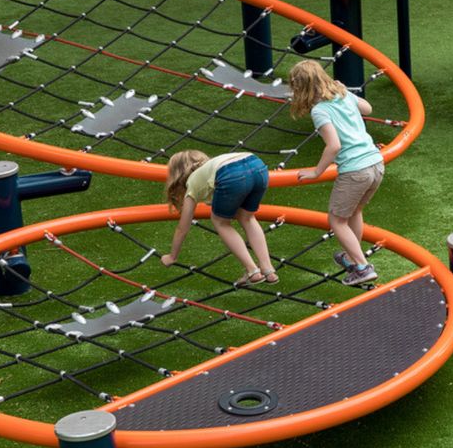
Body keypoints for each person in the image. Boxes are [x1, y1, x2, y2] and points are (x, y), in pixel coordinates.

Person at [288, 60, 384, 286]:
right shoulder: (343, 95)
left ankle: (362, 267)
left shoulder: (320, 111)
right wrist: (346, 91)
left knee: (337, 220)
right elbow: (367, 109)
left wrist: (316, 172)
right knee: (354, 211)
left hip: (355, 169)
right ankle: (351, 257)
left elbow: (334, 145)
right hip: (376, 164)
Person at [161, 149, 277, 287]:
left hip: (231, 173)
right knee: (247, 218)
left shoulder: (192, 182)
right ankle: (268, 269)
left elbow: (183, 227)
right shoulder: (211, 167)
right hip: (256, 164)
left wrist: (172, 256)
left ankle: (252, 270)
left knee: (220, 222)